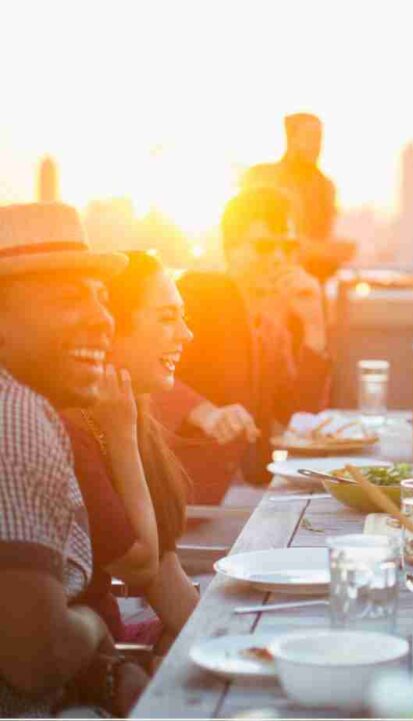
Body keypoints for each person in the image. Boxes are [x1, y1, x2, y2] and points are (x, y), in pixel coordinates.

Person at [0, 202, 147, 716]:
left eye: (102, 299)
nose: (103, 320)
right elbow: (34, 659)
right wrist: (93, 625)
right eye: (68, 300)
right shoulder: (14, 415)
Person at [153, 187, 331, 499]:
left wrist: (314, 326)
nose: (277, 258)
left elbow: (300, 417)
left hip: (249, 488)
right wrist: (205, 412)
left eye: (287, 247)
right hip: (194, 497)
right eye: (263, 246)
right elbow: (138, 369)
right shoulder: (197, 293)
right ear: (230, 249)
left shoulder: (273, 322)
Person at [64, 251, 200, 652]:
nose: (186, 334)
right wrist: (122, 438)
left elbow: (164, 574)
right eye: (166, 317)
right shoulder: (71, 426)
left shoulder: (128, 409)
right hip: (90, 662)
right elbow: (140, 565)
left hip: (115, 639)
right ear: (111, 330)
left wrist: (228, 646)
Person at [242, 112, 354, 282]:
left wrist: (330, 250)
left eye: (320, 138)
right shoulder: (263, 177)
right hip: (270, 283)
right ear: (291, 139)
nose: (317, 145)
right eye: (310, 137)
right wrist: (322, 249)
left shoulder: (325, 186)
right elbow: (257, 238)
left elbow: (324, 236)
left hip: (312, 284)